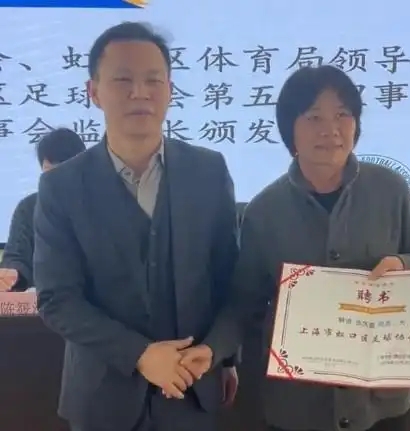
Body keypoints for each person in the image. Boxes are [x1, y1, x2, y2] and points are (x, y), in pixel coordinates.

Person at [33, 22, 240, 431]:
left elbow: (232, 282)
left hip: (190, 392)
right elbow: (57, 299)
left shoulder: (209, 171)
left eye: (153, 80)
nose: (140, 92)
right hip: (102, 400)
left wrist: (220, 352)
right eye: (123, 79)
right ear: (94, 91)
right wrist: (140, 355)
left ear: (170, 89)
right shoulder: (61, 186)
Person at [233, 65, 410, 431]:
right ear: (289, 130)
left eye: (343, 115)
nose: (330, 129)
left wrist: (403, 265)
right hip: (297, 405)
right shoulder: (264, 211)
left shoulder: (390, 190)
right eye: (314, 117)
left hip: (379, 402)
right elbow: (246, 305)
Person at [0, 128, 86, 292]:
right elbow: (16, 256)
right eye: (49, 174)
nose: (56, 182)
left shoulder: (102, 203)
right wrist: (13, 274)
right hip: (44, 298)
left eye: (62, 173)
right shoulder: (28, 208)